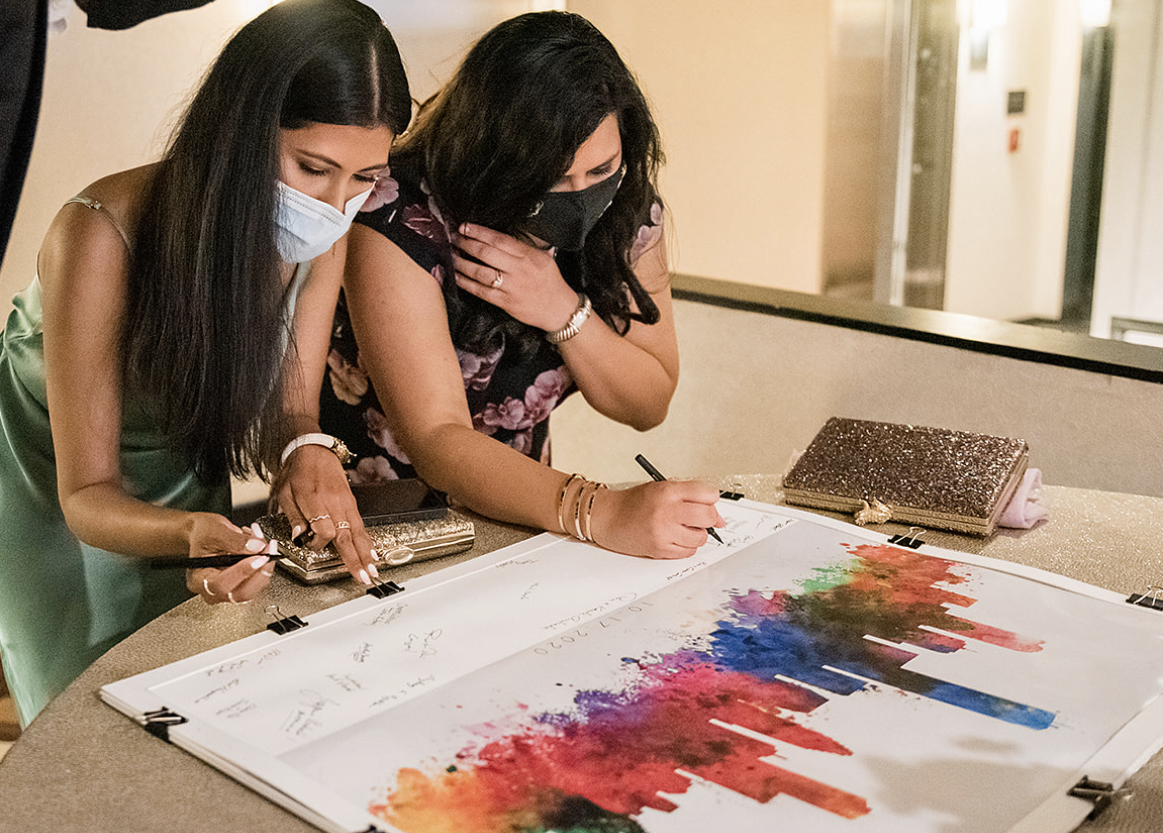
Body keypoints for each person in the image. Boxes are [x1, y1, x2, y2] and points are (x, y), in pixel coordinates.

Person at [0, 0, 409, 726]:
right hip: (55, 498)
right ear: (240, 129)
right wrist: (191, 532)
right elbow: (85, 494)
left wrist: (304, 451)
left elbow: (289, 407)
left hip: (189, 481)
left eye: (363, 178)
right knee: (82, 722)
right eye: (313, 167)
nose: (335, 203)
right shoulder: (101, 234)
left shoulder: (325, 230)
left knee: (187, 701)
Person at [319, 10, 724, 560]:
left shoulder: (625, 211)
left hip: (523, 517)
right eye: (554, 180)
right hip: (377, 521)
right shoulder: (395, 216)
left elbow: (648, 401)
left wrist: (561, 310)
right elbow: (437, 439)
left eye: (601, 170)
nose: (580, 197)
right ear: (495, 158)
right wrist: (599, 511)